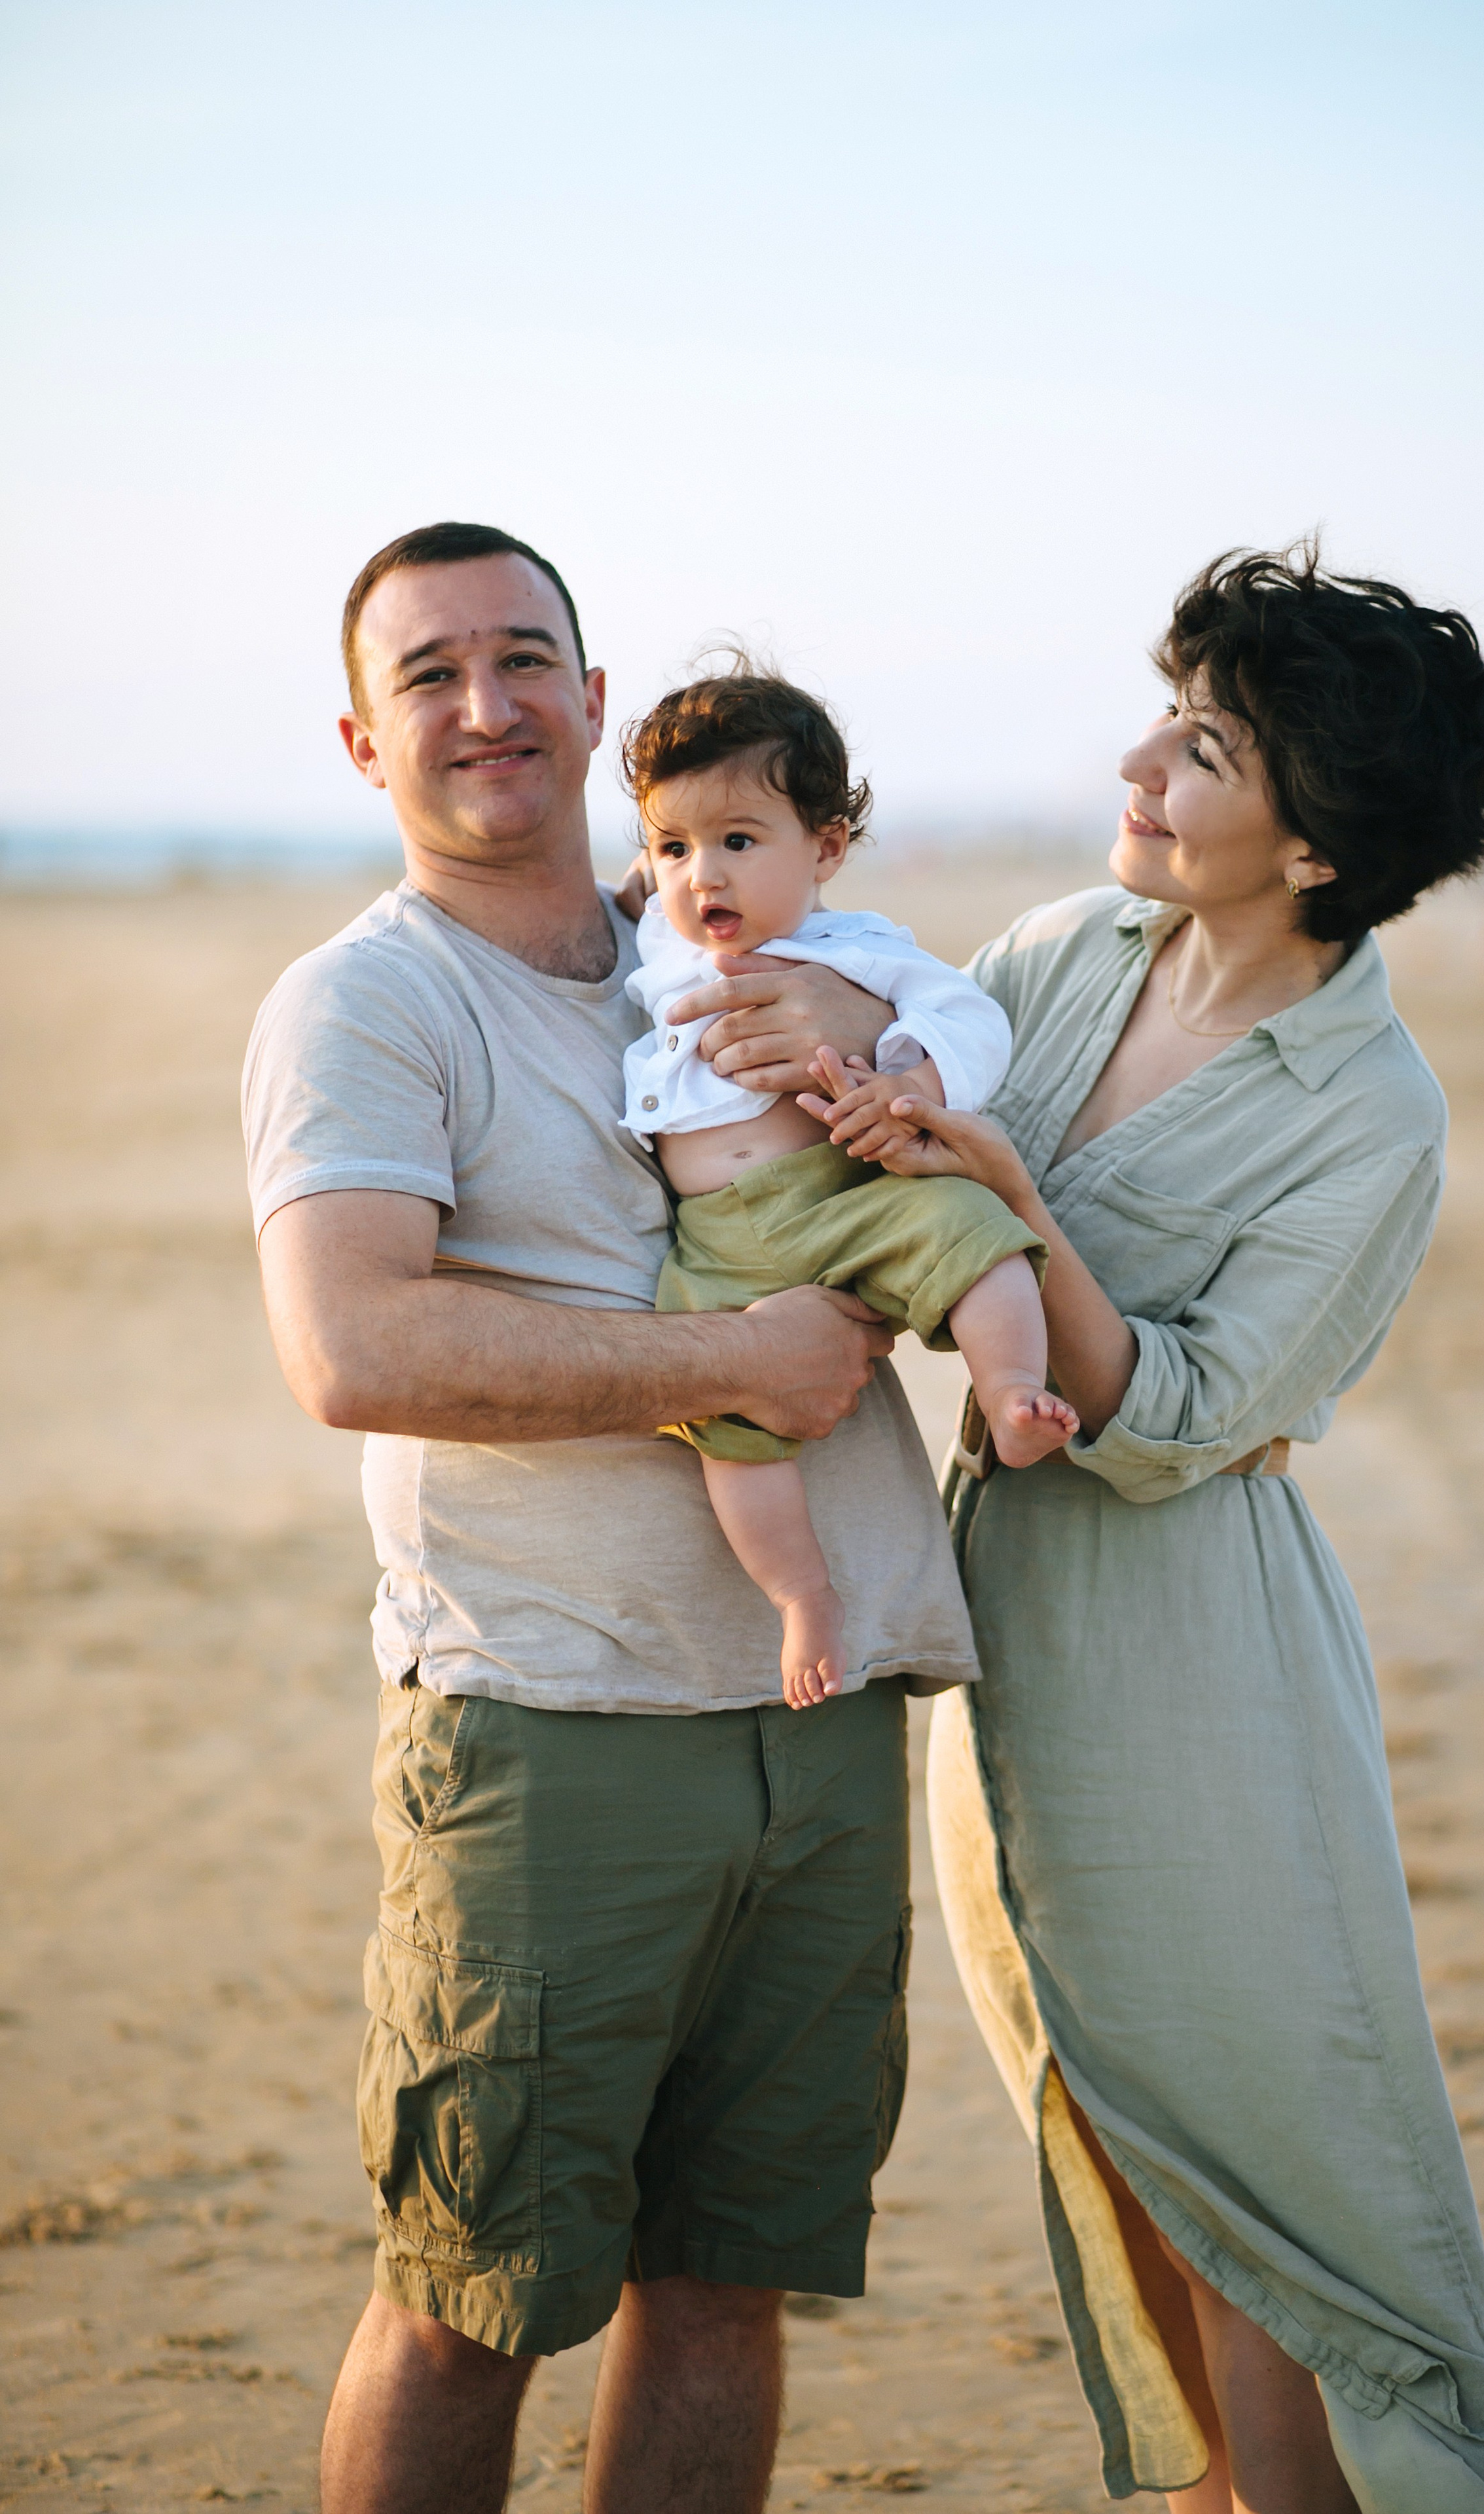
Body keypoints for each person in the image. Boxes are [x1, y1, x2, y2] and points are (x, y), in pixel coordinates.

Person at [241, 520, 981, 2514]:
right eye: (429, 675)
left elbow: (938, 1172)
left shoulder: (738, 951)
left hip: (822, 1724)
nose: (484, 704)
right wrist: (731, 1358)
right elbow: (351, 1346)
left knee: (731, 2283)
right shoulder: (366, 1004)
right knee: (472, 2297)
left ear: (591, 696)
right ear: (360, 737)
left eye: (523, 657)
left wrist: (888, 1073)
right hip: (553, 1730)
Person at [807, 547, 1484, 2513]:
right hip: (998, 1631)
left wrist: (1004, 1201)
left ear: (1315, 845)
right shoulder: (1063, 954)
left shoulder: (1372, 1106)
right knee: (1095, 2107)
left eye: (1204, 746)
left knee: (1253, 2142)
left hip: (1196, 1645)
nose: (1140, 761)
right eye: (1167, 714)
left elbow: (1192, 1422)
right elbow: (897, 1211)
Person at [619, 663, 1075, 1706]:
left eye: (739, 841)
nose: (705, 878)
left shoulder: (857, 949)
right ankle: (802, 1596)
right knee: (727, 1431)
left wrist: (913, 1075)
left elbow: (972, 1021)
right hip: (719, 1242)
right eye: (675, 847)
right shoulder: (661, 931)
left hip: (849, 1194)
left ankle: (1009, 1395)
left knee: (977, 1234)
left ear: (824, 849)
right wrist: (651, 874)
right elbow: (641, 890)